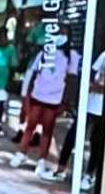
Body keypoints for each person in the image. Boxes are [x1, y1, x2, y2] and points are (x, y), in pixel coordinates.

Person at [19, 33, 72, 168]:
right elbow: (32, 73)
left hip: (54, 99)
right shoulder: (43, 54)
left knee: (47, 131)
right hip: (38, 96)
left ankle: (41, 160)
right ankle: (22, 154)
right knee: (31, 126)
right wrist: (27, 94)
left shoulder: (70, 58)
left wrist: (65, 102)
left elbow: (71, 80)